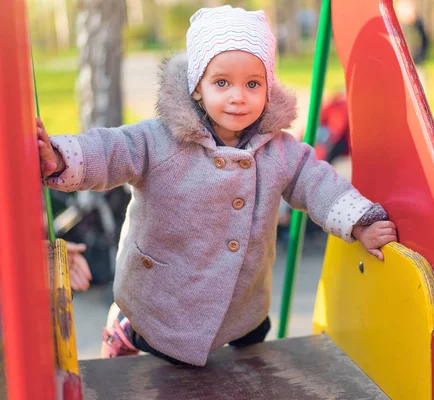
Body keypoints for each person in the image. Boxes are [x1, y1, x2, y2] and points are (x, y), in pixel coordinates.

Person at [36, 5, 397, 367]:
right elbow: (113, 150)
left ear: (268, 89)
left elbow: (317, 182)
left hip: (243, 303)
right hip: (163, 300)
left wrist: (359, 221)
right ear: (197, 87)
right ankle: (124, 327)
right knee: (158, 350)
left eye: (252, 84)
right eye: (222, 83)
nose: (238, 96)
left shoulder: (279, 151)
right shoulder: (162, 140)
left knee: (249, 339)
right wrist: (61, 156)